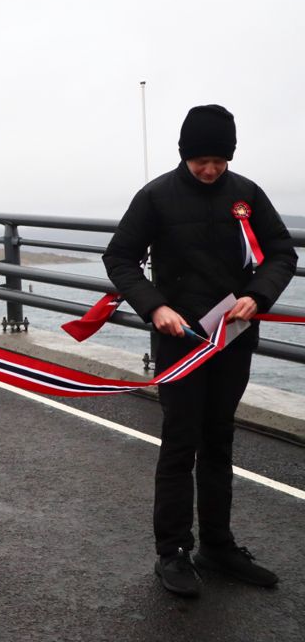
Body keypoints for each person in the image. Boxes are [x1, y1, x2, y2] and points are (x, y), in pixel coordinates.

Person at [103, 105, 297, 598]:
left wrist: (260, 294)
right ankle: (172, 552)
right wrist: (155, 307)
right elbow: (119, 257)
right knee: (180, 443)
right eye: (200, 161)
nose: (210, 170)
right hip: (180, 341)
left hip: (232, 338)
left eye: (219, 160)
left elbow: (281, 253)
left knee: (219, 440)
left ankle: (218, 544)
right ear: (183, 154)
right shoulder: (156, 196)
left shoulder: (247, 194)